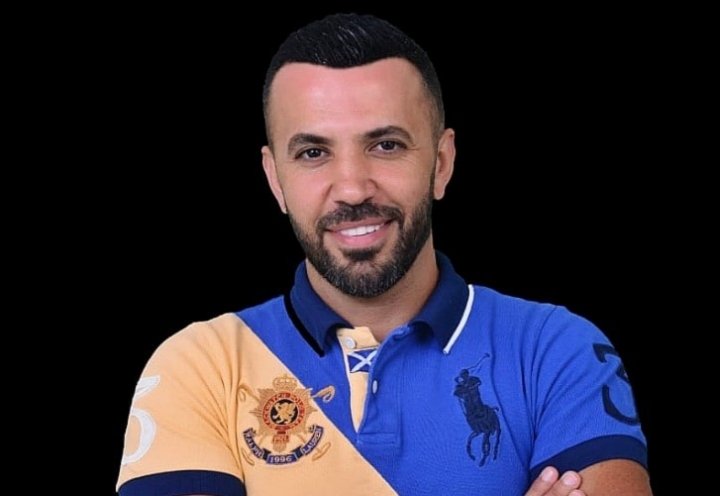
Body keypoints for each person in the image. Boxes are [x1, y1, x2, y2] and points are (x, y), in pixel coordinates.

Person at [117, 13, 651, 495]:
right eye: (313, 152)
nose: (352, 188)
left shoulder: (556, 349)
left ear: (441, 163)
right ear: (275, 179)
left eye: (386, 145)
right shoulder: (198, 366)